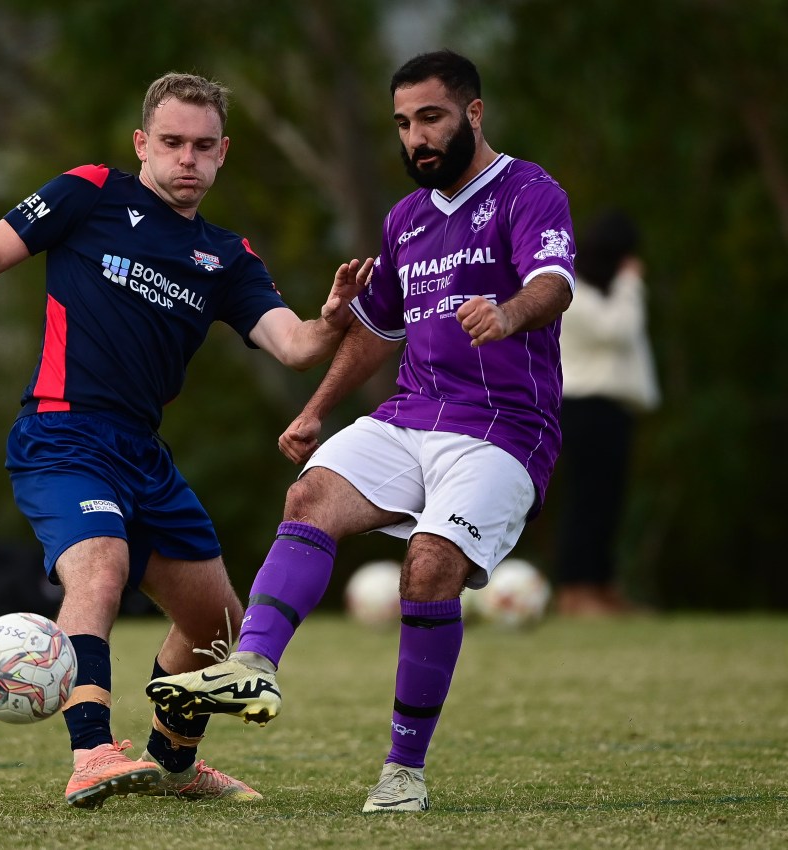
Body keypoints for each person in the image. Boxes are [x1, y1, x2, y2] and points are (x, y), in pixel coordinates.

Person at [0, 71, 370, 808]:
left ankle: (172, 762)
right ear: (142, 144)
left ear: (223, 152)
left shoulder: (227, 257)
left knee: (219, 623)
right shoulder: (89, 193)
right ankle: (91, 751)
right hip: (62, 432)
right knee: (100, 568)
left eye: (203, 146)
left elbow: (295, 346)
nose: (187, 158)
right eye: (171, 142)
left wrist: (335, 316)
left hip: (142, 455)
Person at [147, 49, 575, 813]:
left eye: (431, 118)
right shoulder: (406, 220)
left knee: (430, 568)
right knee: (310, 494)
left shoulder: (529, 191)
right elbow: (377, 331)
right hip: (411, 415)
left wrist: (509, 314)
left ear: (473, 114)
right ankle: (254, 666)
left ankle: (403, 772)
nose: (417, 137)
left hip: (504, 429)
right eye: (404, 124)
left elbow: (554, 283)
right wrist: (315, 409)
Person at [554, 209, 660, 616]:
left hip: (611, 410)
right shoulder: (575, 292)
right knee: (587, 500)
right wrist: (632, 283)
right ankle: (575, 591)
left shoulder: (604, 295)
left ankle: (601, 586)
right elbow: (619, 331)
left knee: (608, 502)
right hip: (585, 408)